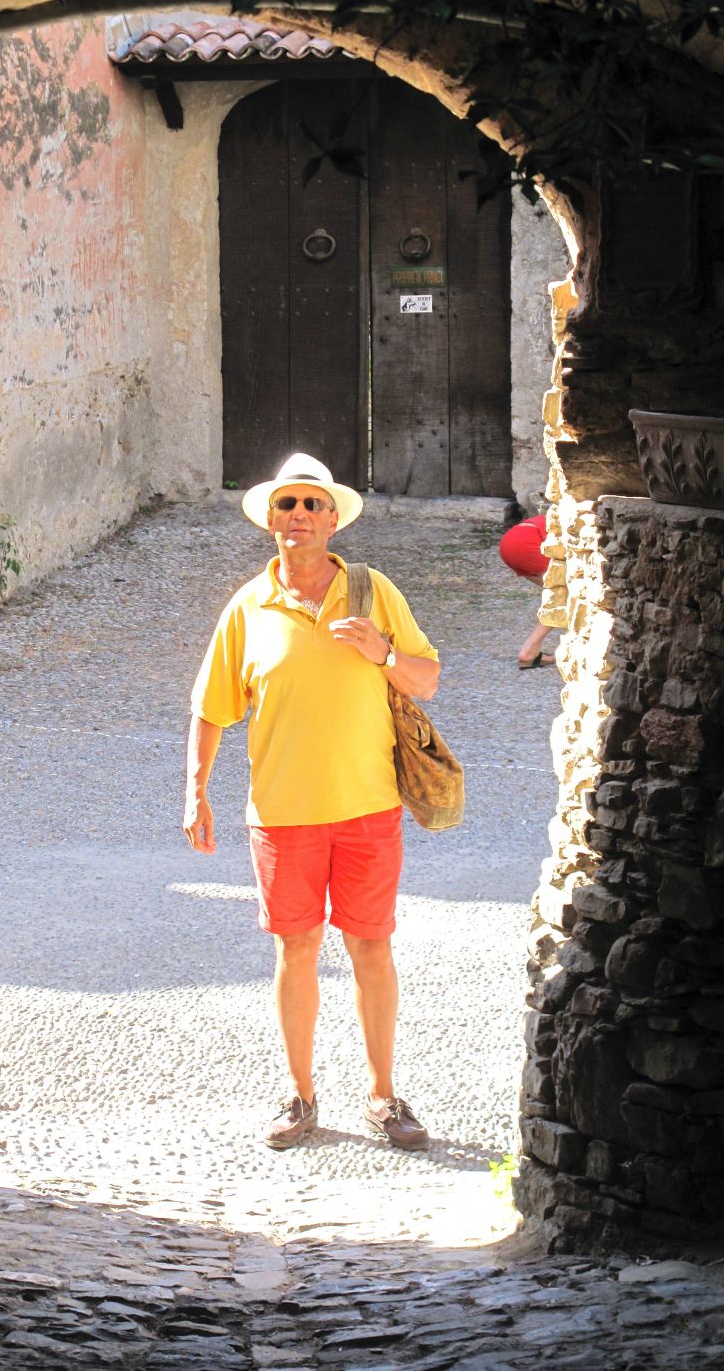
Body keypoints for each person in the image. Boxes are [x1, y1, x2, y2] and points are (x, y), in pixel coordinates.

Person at [183, 452, 441, 1152]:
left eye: (311, 505)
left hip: (367, 808)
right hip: (280, 814)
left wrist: (382, 653)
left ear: (332, 519)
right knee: (296, 951)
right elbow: (210, 708)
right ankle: (299, 1096)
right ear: (270, 519)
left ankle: (383, 1097)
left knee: (370, 948)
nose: (298, 516)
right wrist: (194, 790)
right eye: (287, 505)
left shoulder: (371, 591)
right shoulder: (247, 606)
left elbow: (426, 680)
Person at [499, 511, 555, 669]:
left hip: (510, 540)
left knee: (562, 593)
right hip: (529, 542)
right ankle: (529, 652)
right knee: (567, 594)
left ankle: (532, 651)